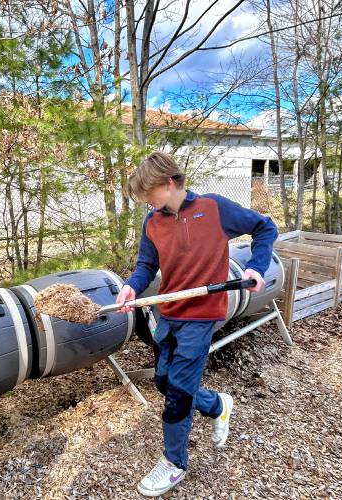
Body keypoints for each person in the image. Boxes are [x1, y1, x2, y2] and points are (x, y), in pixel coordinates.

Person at [116, 151, 278, 497]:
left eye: (149, 193)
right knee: (163, 381)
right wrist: (131, 285)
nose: (146, 201)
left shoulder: (214, 208)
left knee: (176, 394)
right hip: (168, 312)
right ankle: (217, 405)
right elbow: (147, 265)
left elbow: (264, 227)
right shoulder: (153, 222)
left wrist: (256, 267)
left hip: (201, 317)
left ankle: (174, 463)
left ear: (170, 183)